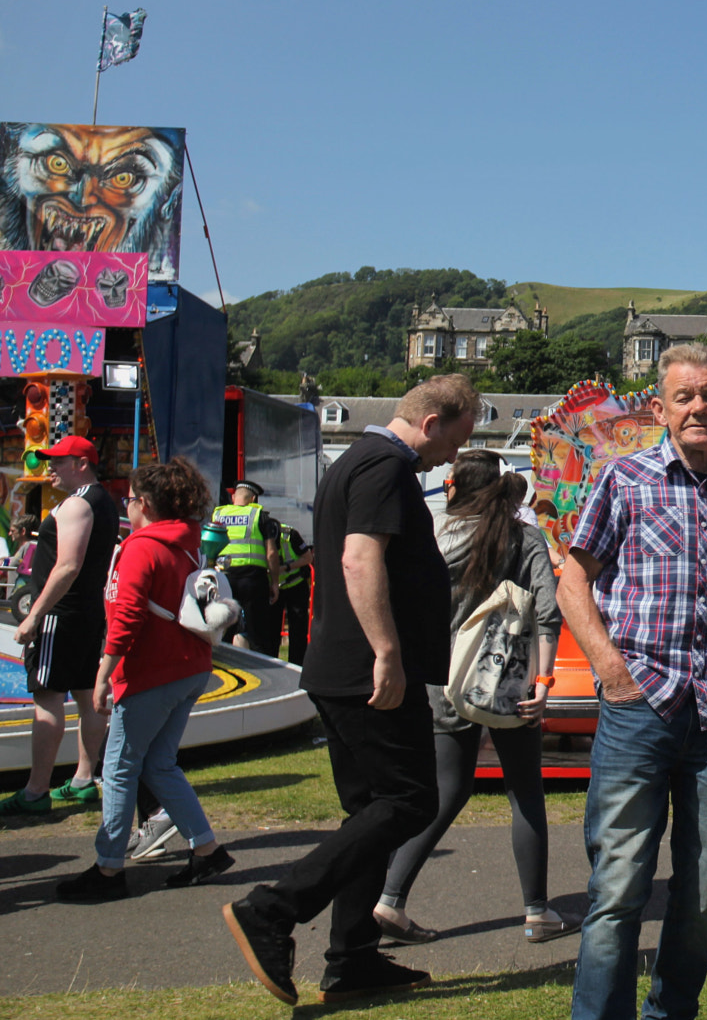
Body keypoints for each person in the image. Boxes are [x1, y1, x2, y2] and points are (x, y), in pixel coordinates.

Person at [223, 375, 479, 1007]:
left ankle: (353, 957)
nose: (453, 456)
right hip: (368, 670)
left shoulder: (357, 464)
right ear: (431, 423)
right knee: (411, 801)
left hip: (342, 667)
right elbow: (359, 559)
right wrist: (388, 654)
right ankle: (272, 909)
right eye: (457, 439)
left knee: (371, 808)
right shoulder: (384, 467)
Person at [561, 344, 707, 1020]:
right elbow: (574, 579)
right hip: (639, 710)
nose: (698, 408)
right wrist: (610, 669)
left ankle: (670, 1009)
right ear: (658, 407)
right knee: (619, 884)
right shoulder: (623, 478)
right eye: (683, 396)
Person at [376, 449, 565, 944]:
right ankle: (536, 912)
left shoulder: (434, 534)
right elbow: (547, 615)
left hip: (445, 679)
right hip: (510, 682)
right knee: (524, 791)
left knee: (447, 789)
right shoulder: (524, 538)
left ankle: (390, 898)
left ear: (459, 486)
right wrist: (543, 684)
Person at [58, 458, 236, 901]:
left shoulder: (141, 547)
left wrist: (103, 674)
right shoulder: (189, 544)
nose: (127, 505)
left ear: (148, 504)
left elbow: (126, 617)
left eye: (131, 498)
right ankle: (206, 849)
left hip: (151, 671)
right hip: (189, 667)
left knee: (118, 768)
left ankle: (109, 869)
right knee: (158, 764)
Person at [0, 435, 121, 816]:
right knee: (85, 695)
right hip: (85, 613)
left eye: (58, 462)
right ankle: (82, 779)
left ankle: (36, 790)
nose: (49, 469)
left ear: (81, 463)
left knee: (47, 697)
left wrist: (34, 616)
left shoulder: (79, 503)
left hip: (62, 616)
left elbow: (67, 565)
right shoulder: (101, 502)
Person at [212, 480, 282, 652]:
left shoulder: (218, 515)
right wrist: (274, 582)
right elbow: (271, 553)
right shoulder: (259, 516)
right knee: (257, 632)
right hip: (252, 580)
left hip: (224, 577)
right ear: (253, 499)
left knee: (223, 628)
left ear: (234, 497)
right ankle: (262, 673)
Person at [269, 524, 312, 666]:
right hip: (274, 588)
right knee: (272, 630)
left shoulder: (289, 535)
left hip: (295, 584)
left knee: (298, 630)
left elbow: (307, 557)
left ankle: (297, 665)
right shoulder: (262, 535)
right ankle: (272, 663)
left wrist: (285, 567)